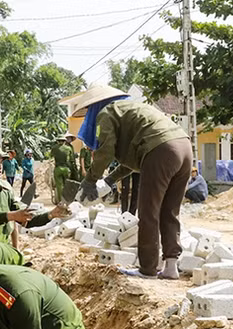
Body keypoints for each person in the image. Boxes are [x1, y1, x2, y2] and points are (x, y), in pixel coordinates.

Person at [74, 85, 191, 280]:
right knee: (169, 211)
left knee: (148, 212)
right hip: (184, 147)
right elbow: (134, 159)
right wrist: (109, 179)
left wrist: (90, 180)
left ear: (94, 106)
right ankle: (171, 266)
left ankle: (148, 268)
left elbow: (105, 152)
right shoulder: (134, 110)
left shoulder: (107, 113)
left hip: (161, 151)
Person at [0, 143, 65, 246]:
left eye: (1, 162)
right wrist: (12, 215)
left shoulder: (5, 190)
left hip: (2, 250)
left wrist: (51, 214)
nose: (0, 167)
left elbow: (25, 217)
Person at [51, 134, 78, 205]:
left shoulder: (54, 148)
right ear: (64, 141)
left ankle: (61, 202)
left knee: (59, 186)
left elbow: (51, 156)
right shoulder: (68, 148)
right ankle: (67, 200)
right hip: (66, 169)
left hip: (58, 169)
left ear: (57, 141)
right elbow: (72, 160)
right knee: (67, 185)